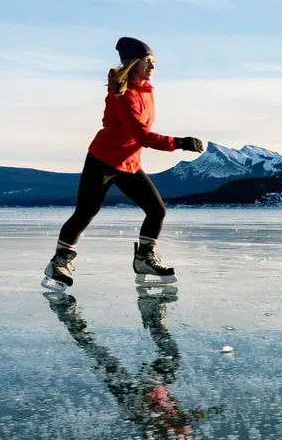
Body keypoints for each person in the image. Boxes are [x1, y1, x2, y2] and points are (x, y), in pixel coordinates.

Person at [42, 36, 205, 291]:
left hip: (128, 162)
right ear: (133, 63)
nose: (152, 66)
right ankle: (58, 262)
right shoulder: (124, 93)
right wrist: (180, 142)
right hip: (103, 160)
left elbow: (137, 137)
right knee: (86, 211)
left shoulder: (145, 91)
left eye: (153, 62)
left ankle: (144, 260)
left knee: (157, 210)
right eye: (147, 61)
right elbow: (141, 134)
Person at [45, 288, 224, 440]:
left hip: (135, 395)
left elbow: (181, 419)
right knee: (163, 357)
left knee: (103, 355)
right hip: (146, 393)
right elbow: (183, 420)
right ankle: (150, 314)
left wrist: (207, 413)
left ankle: (70, 316)